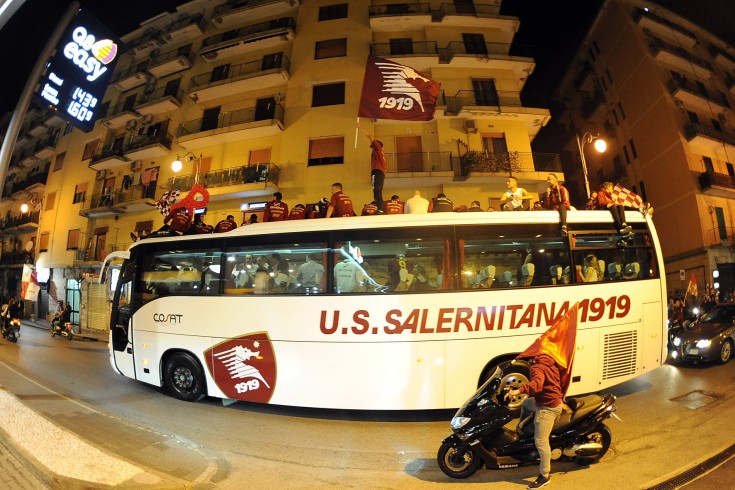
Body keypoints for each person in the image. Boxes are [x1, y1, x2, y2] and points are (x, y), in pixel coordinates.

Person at [504, 354, 564, 489]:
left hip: (548, 408)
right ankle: (521, 430)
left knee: (541, 441)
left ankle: (545, 475)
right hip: (547, 402)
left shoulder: (536, 367)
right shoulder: (549, 361)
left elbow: (536, 385)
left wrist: (517, 391)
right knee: (526, 403)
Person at [357, 123, 386, 213]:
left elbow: (370, 136)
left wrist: (360, 127)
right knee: (377, 191)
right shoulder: (380, 152)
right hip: (380, 172)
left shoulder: (378, 148)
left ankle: (381, 209)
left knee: (376, 191)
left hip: (377, 171)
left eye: (372, 145)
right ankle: (380, 208)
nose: (372, 146)